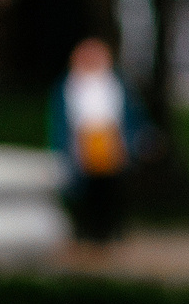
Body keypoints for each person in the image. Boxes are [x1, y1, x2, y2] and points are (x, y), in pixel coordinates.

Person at [48, 37, 149, 245]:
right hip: (82, 142)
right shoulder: (68, 85)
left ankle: (112, 228)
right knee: (86, 188)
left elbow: (130, 114)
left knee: (112, 187)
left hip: (111, 141)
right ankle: (89, 229)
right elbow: (61, 119)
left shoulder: (117, 83)